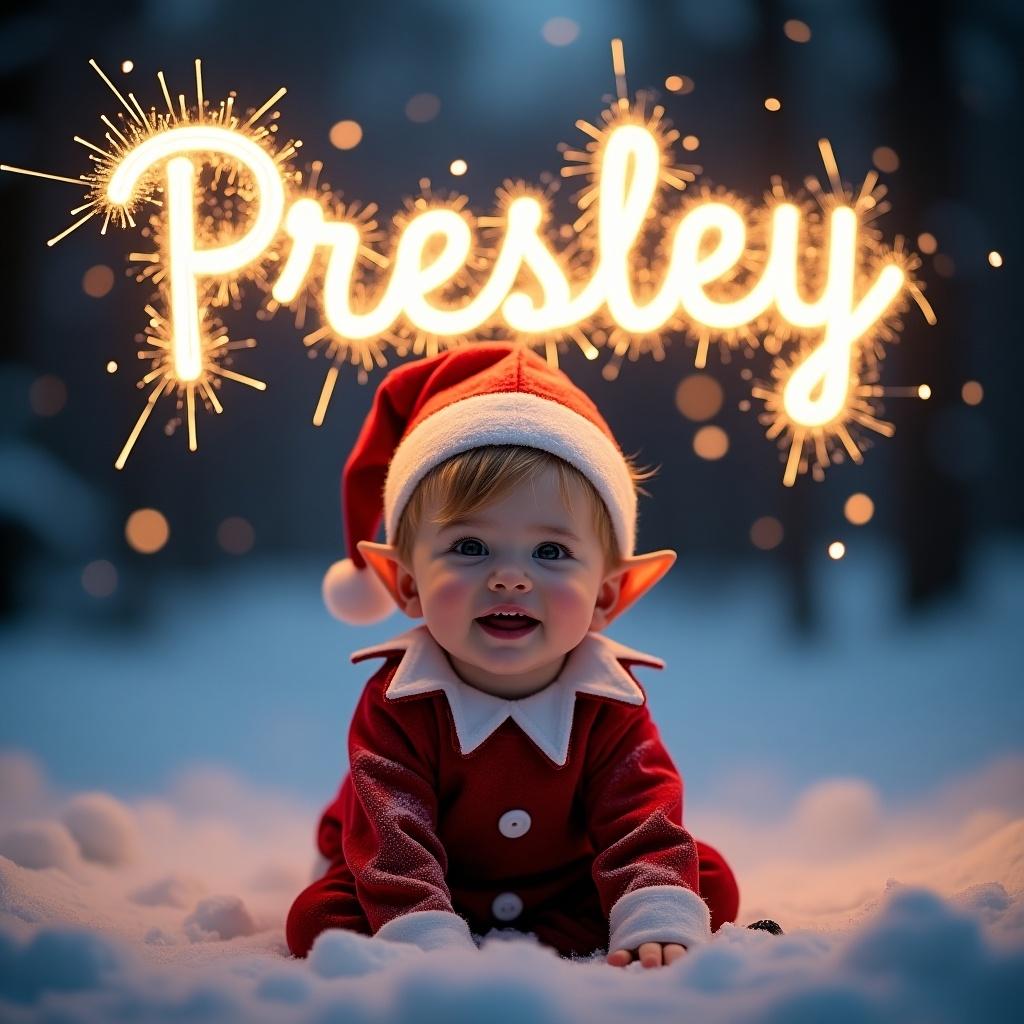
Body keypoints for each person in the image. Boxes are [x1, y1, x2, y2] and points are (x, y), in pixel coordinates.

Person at [286, 342, 754, 968]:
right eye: (471, 546)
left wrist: (653, 907)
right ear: (407, 583)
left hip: (561, 880)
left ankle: (561, 933)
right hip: (430, 880)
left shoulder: (608, 700)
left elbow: (639, 813)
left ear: (607, 595)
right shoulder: (399, 700)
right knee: (319, 920)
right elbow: (393, 834)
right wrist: (422, 934)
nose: (510, 578)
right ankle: (461, 933)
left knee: (701, 884)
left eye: (551, 553)